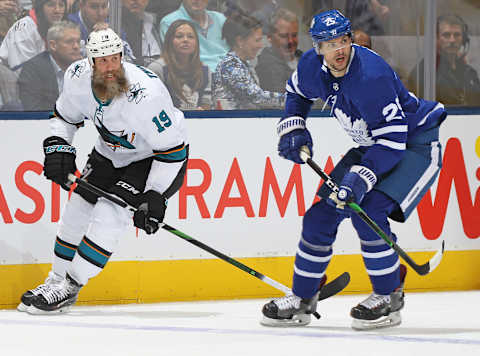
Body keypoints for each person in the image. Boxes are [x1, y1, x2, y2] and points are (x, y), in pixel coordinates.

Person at [261, 9, 447, 330]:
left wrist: (359, 178)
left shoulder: (371, 76)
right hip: (374, 145)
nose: (339, 49)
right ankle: (304, 297)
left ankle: (389, 294)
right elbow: (296, 94)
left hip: (414, 144)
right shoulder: (310, 67)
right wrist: (294, 128)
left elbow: (392, 141)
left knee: (368, 210)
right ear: (317, 48)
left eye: (343, 40)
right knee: (320, 216)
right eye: (329, 43)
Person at [17, 27, 188, 314]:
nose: (110, 67)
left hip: (152, 159)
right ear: (90, 61)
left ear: (121, 56)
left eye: (114, 59)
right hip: (108, 152)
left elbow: (173, 152)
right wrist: (58, 145)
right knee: (76, 209)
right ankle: (55, 280)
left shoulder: (146, 96)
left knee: (110, 214)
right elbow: (64, 117)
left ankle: (71, 287)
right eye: (102, 60)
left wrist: (155, 194)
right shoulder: (76, 77)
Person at [213, 14, 285, 110]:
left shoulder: (244, 64)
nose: (261, 45)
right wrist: (293, 99)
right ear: (240, 41)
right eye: (257, 40)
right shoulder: (230, 66)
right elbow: (257, 97)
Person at [408, 14, 480, 106]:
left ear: (464, 40)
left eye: (457, 35)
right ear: (436, 39)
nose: (452, 40)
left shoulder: (469, 73)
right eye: (446, 35)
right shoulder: (424, 72)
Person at [148, 19, 212, 110]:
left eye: (190, 37)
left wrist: (202, 112)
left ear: (196, 42)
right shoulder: (157, 68)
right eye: (179, 36)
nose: (185, 40)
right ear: (169, 41)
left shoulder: (205, 70)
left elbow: (206, 103)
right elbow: (151, 106)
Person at [18, 20, 81, 110]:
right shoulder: (33, 69)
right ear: (53, 45)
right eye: (69, 42)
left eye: (78, 42)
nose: (76, 46)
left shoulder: (84, 68)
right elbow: (33, 110)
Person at [159, 0, 229, 72]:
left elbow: (236, 50)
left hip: (230, 72)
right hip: (197, 75)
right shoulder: (169, 22)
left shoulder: (221, 19)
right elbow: (173, 59)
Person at [0, 0, 66, 71]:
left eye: (61, 5)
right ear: (40, 7)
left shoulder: (60, 29)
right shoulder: (24, 28)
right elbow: (22, 72)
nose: (57, 10)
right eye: (51, 5)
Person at [255, 7, 302, 93]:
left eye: (294, 35)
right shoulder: (267, 67)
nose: (290, 41)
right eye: (283, 36)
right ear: (269, 37)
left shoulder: (303, 57)